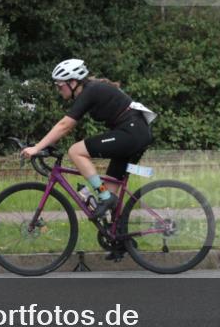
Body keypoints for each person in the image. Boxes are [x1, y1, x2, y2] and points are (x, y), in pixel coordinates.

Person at [20, 58, 155, 224]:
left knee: (76, 151)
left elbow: (65, 125)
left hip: (132, 132)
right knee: (111, 195)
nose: (58, 90)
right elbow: (67, 125)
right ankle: (118, 241)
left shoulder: (90, 91)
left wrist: (37, 147)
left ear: (73, 82)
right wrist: (46, 144)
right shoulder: (89, 91)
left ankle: (104, 197)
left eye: (60, 85)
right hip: (134, 133)